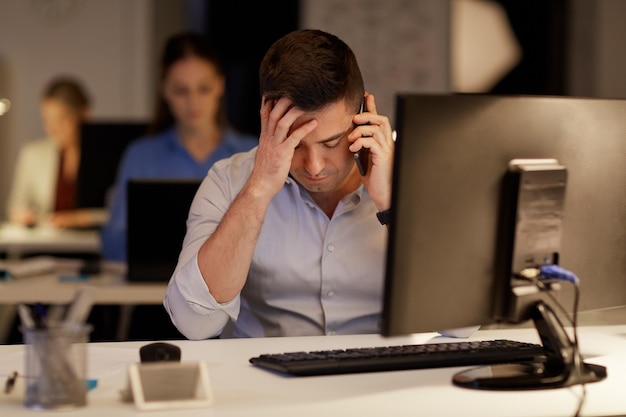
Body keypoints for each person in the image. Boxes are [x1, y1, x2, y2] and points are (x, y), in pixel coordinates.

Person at [164, 29, 395, 340]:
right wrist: (258, 189)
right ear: (266, 117)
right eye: (294, 143)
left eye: (332, 142)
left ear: (364, 117)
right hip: (264, 381)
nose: (314, 166)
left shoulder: (410, 175)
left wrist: (393, 204)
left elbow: (461, 327)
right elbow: (194, 324)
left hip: (384, 379)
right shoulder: (229, 180)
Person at [100, 31, 258, 262]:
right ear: (164, 90)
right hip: (155, 291)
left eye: (203, 88)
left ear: (220, 86)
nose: (193, 102)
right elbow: (112, 243)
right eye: (181, 91)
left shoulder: (252, 154)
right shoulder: (141, 155)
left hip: (238, 293)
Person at [6, 76, 105, 229]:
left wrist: (82, 218)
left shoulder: (102, 157)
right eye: (47, 120)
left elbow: (118, 212)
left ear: (84, 114)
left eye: (62, 119)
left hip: (91, 246)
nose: (53, 128)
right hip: (45, 245)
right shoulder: (33, 154)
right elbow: (15, 207)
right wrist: (23, 215)